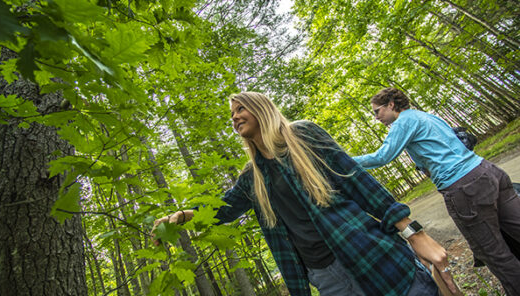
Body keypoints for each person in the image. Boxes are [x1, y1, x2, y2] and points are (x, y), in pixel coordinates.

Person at [152, 92, 456, 296]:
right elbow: (222, 208)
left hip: (370, 251)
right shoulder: (252, 177)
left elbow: (357, 181)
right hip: (325, 277)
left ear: (261, 108)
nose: (234, 117)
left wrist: (414, 234)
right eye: (232, 114)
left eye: (240, 109)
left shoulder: (304, 135)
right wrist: (181, 215)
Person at [353, 87, 520, 296]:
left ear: (391, 104)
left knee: (495, 255)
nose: (376, 117)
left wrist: (343, 160)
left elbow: (382, 157)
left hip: (465, 188)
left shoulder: (403, 122)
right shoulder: (426, 116)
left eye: (377, 111)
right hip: (488, 171)